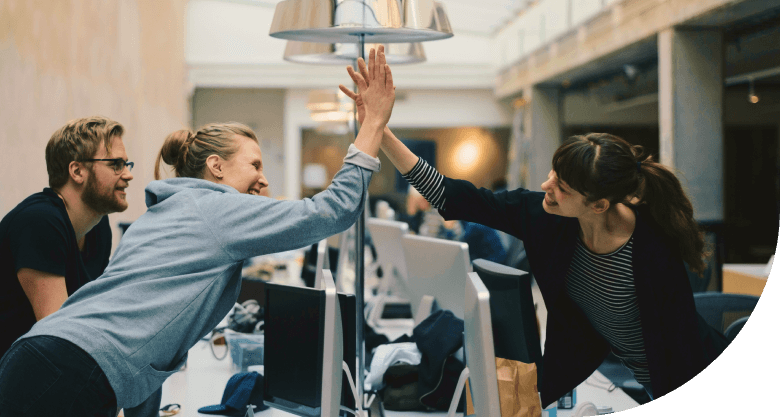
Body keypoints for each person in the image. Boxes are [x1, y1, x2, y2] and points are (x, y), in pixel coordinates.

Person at [0, 47, 396, 416]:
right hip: (70, 372)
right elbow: (332, 211)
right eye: (254, 166)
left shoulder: (165, 214)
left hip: (39, 358)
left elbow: (143, 347)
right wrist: (374, 124)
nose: (263, 181)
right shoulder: (216, 208)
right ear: (216, 168)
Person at [339, 49, 728, 406]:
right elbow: (452, 196)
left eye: (562, 187)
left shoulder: (652, 249)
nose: (547, 187)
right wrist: (379, 130)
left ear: (598, 205)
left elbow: (679, 348)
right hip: (615, 372)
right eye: (552, 174)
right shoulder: (544, 216)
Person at [0, 116, 133, 358]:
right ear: (77, 171)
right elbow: (59, 338)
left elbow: (92, 316)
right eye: (115, 164)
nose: (127, 175)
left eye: (126, 164)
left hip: (38, 373)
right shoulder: (40, 222)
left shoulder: (97, 225)